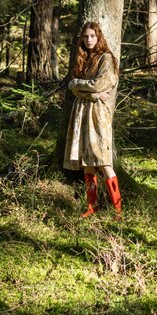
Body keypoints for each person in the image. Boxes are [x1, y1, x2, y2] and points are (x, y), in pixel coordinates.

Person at [64, 21, 122, 220]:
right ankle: (92, 206)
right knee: (87, 161)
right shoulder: (84, 60)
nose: (89, 40)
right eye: (86, 36)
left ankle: (118, 211)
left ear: (99, 38)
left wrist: (78, 84)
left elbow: (100, 84)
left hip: (98, 115)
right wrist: (92, 93)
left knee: (103, 161)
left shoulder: (106, 58)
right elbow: (89, 90)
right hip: (82, 112)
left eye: (92, 36)